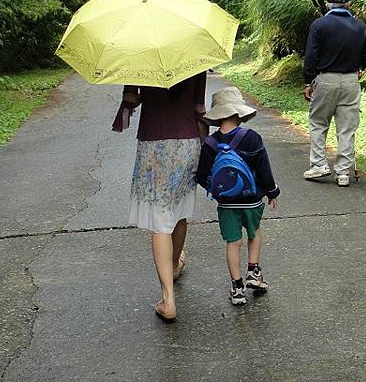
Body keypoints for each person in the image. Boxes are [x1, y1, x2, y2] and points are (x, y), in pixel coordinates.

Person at [120, 71, 208, 321]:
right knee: (179, 210)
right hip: (187, 142)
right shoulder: (195, 57)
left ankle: (168, 299)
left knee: (160, 219)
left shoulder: (140, 55)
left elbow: (130, 98)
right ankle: (174, 265)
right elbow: (199, 108)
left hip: (153, 142)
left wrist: (142, 97)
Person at [196, 87, 280, 306]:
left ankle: (237, 288)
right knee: (254, 233)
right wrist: (271, 191)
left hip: (226, 204)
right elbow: (264, 169)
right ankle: (254, 271)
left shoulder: (210, 144)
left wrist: (218, 191)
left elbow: (202, 176)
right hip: (252, 200)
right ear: (238, 114)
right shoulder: (252, 138)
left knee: (233, 242)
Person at [302, 0, 366, 187]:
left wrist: (308, 81)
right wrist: (360, 68)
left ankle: (319, 165)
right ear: (348, 4)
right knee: (347, 128)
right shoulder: (360, 26)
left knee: (318, 123)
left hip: (326, 80)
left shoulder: (319, 25)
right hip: (351, 81)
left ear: (327, 5)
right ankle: (343, 173)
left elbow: (311, 56)